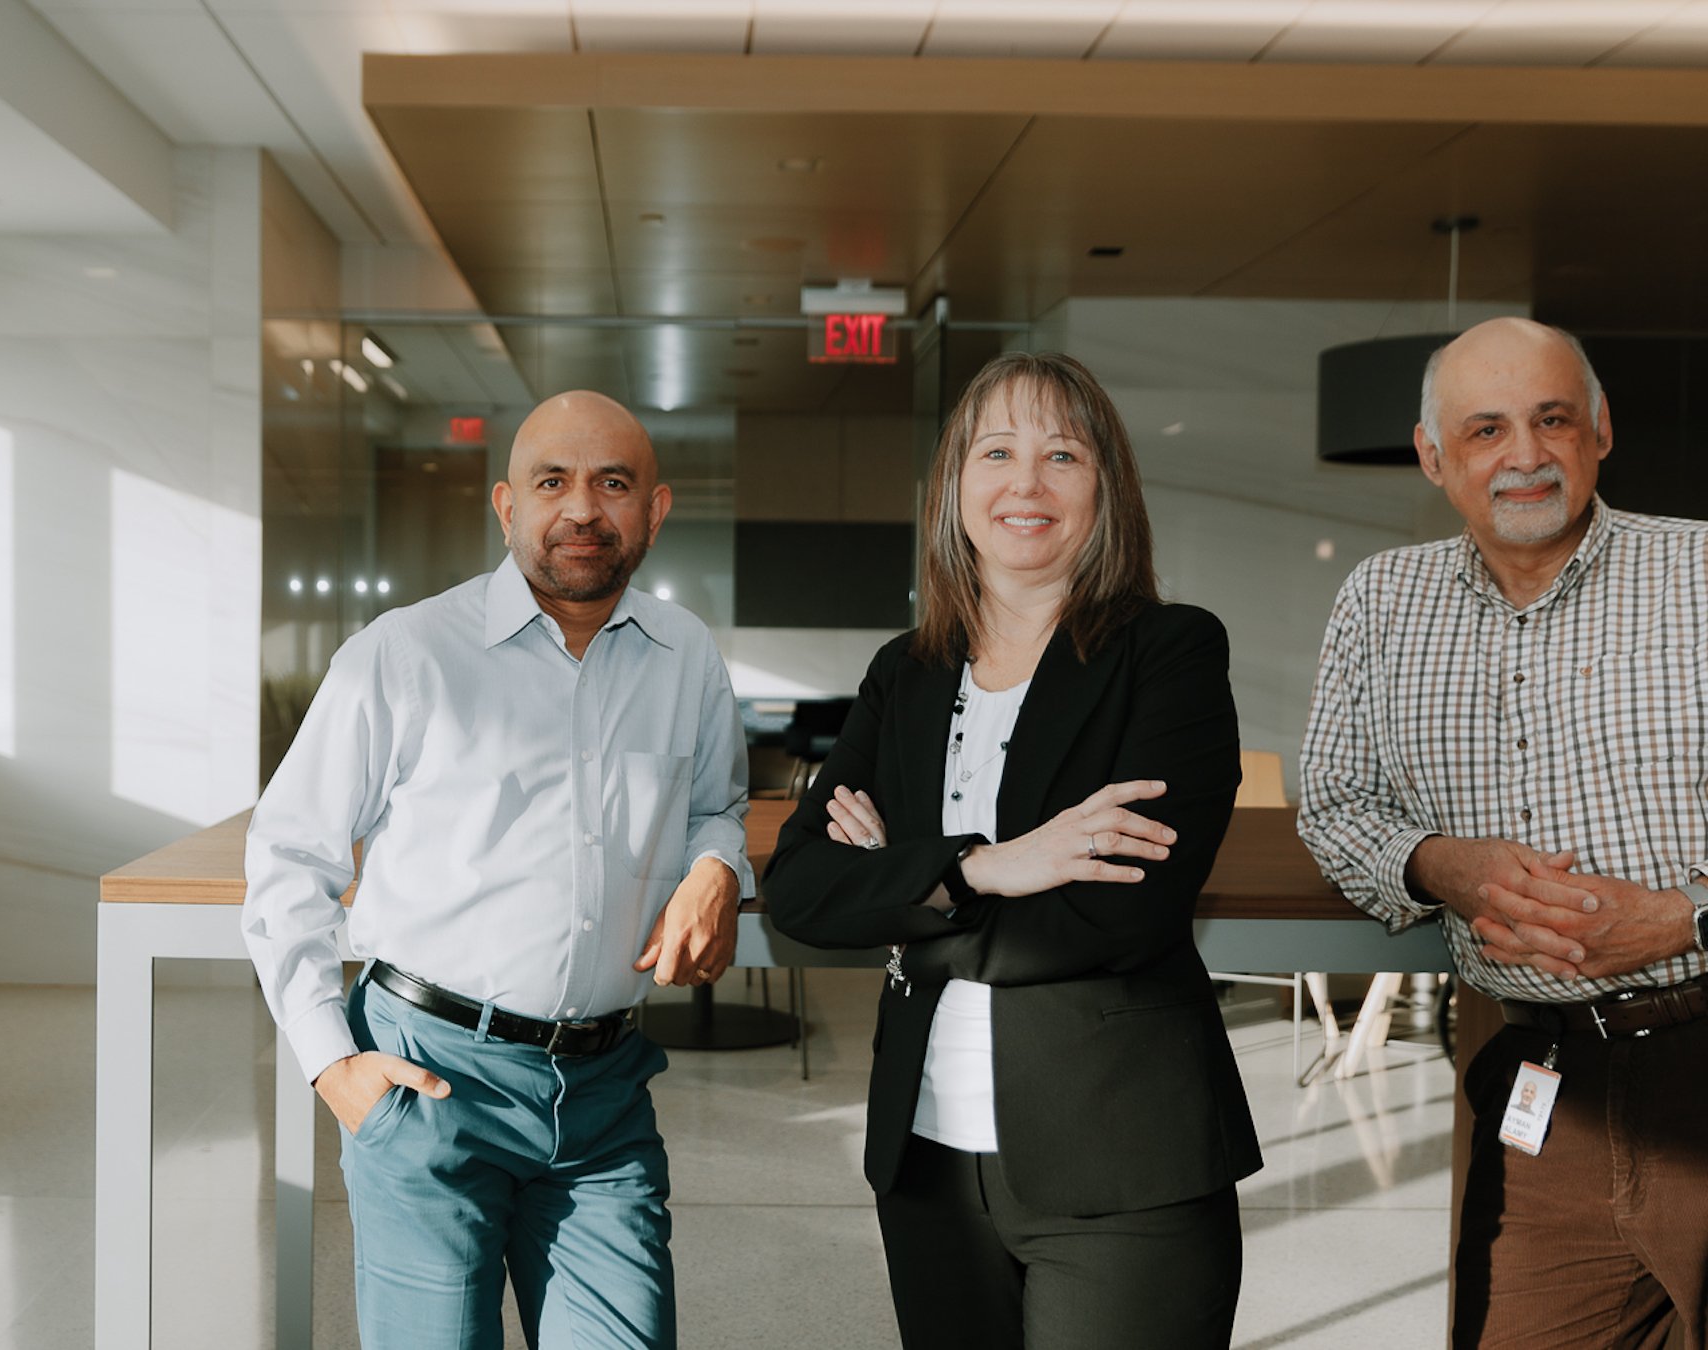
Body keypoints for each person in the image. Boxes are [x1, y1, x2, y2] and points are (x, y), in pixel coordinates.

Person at [762, 351, 1259, 1350]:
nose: (1025, 484)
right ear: (954, 487)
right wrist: (987, 865)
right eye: (996, 452)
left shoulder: (1169, 654)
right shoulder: (904, 674)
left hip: (1121, 1168)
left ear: (1104, 489)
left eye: (1062, 455)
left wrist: (904, 890)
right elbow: (802, 892)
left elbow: (1121, 916)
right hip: (928, 1159)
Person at [241, 390, 751, 1350]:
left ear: (656, 509)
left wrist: (716, 865)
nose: (583, 510)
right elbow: (287, 856)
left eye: (614, 483)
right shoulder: (402, 653)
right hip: (429, 1082)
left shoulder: (686, 657)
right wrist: (332, 1065)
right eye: (552, 482)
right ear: (506, 506)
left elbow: (714, 807)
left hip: (603, 1100)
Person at [1297, 316, 1708, 1350]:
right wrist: (1441, 867)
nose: (1524, 455)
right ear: (1433, 456)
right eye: (1485, 430)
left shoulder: (1700, 576)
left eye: (1551, 419)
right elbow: (1336, 807)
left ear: (1600, 431)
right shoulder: (1380, 604)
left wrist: (1681, 920)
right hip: (1544, 1092)